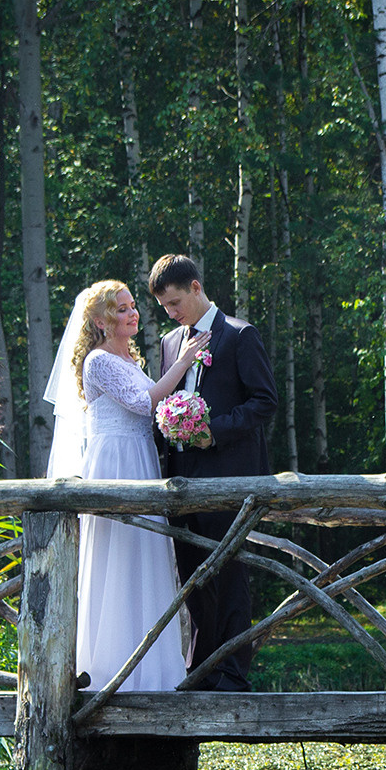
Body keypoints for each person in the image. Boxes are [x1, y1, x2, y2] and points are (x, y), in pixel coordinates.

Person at [43, 280, 209, 694]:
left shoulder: (129, 358)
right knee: (118, 558)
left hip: (140, 459)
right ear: (101, 321)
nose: (133, 313)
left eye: (132, 305)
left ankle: (152, 670)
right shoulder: (98, 361)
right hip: (115, 463)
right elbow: (142, 402)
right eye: (122, 309)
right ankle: (112, 669)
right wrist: (183, 361)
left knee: (145, 557)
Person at [146, 254, 278, 692]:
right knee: (192, 576)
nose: (171, 312)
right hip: (180, 477)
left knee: (230, 574)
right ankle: (200, 669)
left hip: (229, 474)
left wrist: (211, 432)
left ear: (196, 288)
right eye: (164, 306)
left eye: (175, 302)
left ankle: (232, 674)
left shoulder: (239, 335)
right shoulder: (170, 343)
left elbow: (264, 402)